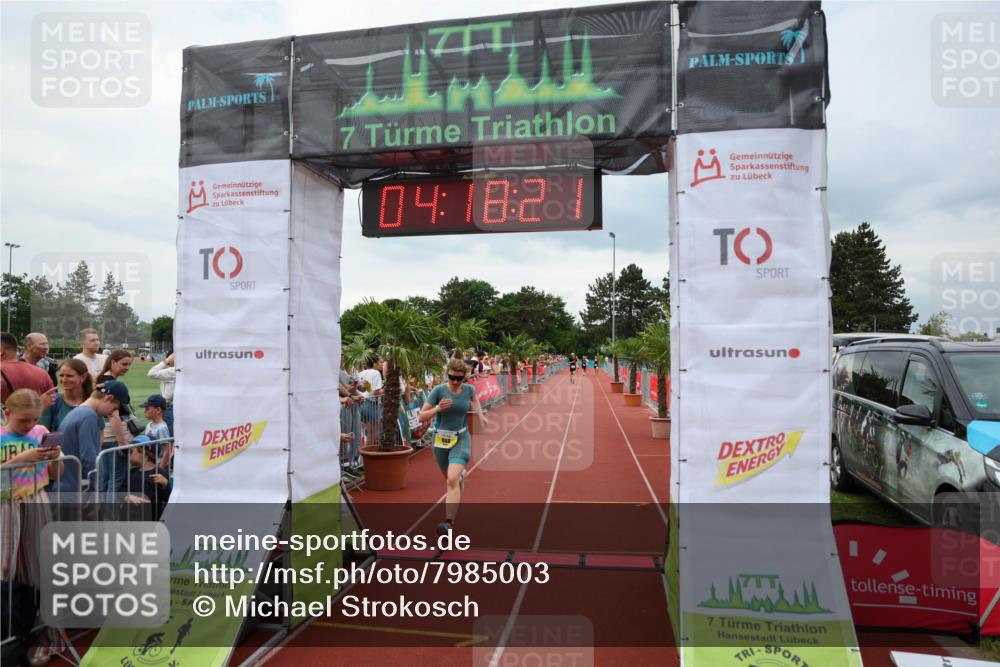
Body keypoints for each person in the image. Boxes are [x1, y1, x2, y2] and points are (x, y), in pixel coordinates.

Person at [1, 389, 64, 666]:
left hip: (37, 499)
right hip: (5, 505)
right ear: (7, 413)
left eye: (34, 419)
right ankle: (9, 638)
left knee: (42, 567)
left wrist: (53, 457)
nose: (29, 425)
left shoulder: (40, 431)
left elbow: (58, 473)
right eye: (23, 420)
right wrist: (19, 461)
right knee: (5, 568)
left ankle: (44, 636)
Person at [419, 350, 489, 536]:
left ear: (465, 376)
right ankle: (460, 478)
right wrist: (437, 408)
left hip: (461, 438)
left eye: (459, 378)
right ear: (447, 374)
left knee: (451, 480)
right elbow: (421, 416)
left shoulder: (469, 390)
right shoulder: (438, 391)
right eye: (452, 378)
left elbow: (475, 401)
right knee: (450, 480)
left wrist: (481, 417)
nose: (456, 382)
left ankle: (448, 523)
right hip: (440, 440)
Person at [55, 381, 130, 493]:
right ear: (108, 398)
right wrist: (95, 489)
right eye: (114, 408)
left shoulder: (77, 412)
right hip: (77, 489)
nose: (111, 413)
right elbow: (89, 457)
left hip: (66, 485)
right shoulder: (88, 416)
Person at [123, 436, 171, 520]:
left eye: (131, 451)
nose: (128, 454)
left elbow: (168, 498)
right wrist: (128, 497)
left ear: (143, 452)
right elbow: (121, 491)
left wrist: (165, 484)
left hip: (152, 521)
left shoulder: (160, 473)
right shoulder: (130, 473)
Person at [1, 332, 54, 406]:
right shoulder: (42, 373)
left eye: (47, 344)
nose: (46, 347)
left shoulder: (47, 367)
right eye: (42, 344)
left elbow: (51, 398)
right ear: (29, 346)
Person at [40, 359, 94, 432]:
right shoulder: (52, 401)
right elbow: (42, 432)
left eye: (69, 376)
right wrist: (40, 408)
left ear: (83, 377)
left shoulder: (92, 401)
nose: (64, 380)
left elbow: (99, 432)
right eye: (61, 375)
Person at [146, 352, 175, 437]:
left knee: (167, 436)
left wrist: (166, 361)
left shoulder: (174, 371)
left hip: (170, 407)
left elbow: (151, 373)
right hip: (173, 406)